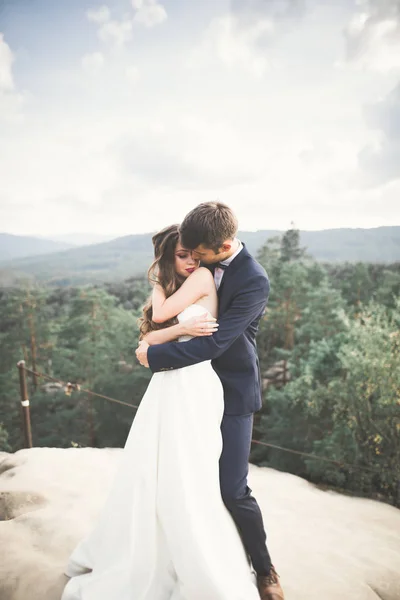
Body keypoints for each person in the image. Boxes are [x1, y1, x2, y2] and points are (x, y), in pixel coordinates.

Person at [61, 223, 262, 600]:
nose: (190, 261)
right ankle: (153, 546)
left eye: (193, 253)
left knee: (190, 470)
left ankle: (209, 557)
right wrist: (158, 335)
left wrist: (156, 285)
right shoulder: (195, 278)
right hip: (170, 383)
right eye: (181, 255)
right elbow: (154, 332)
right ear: (170, 257)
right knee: (154, 466)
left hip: (194, 382)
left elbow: (159, 320)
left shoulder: (202, 275)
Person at [136, 202, 284, 600]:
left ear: (221, 245)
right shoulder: (195, 263)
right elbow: (162, 318)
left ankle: (265, 570)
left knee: (232, 488)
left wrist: (155, 358)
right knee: (185, 480)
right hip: (188, 392)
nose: (192, 260)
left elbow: (218, 342)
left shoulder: (253, 280)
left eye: (198, 253)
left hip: (231, 392)